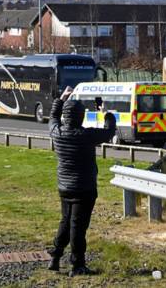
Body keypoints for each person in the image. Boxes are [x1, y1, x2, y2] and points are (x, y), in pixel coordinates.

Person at [47, 86, 116, 276]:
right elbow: (109, 130)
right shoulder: (87, 136)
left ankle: (55, 256)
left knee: (66, 222)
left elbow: (53, 116)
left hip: (64, 187)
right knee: (78, 227)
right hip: (84, 188)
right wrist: (105, 112)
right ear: (81, 117)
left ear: (65, 117)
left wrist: (61, 98)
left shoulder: (57, 132)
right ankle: (77, 265)